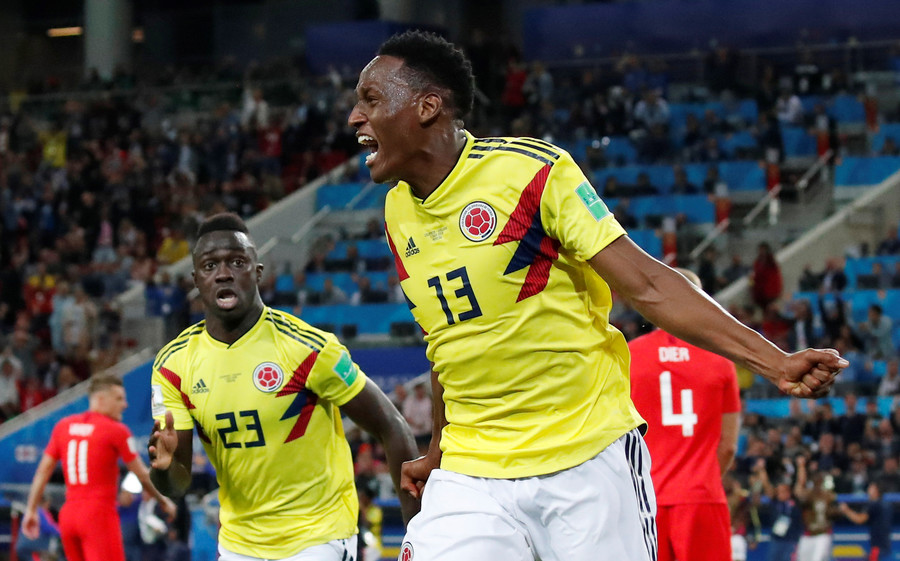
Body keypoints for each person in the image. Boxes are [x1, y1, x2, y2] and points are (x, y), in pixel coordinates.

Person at [348, 30, 847, 561]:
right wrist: (439, 450)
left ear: (427, 107)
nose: (355, 117)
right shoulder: (397, 212)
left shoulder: (532, 173)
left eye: (370, 99)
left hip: (584, 457)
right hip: (473, 470)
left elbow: (648, 284)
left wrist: (773, 361)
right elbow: (449, 342)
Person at [147, 212, 418, 561]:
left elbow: (391, 426)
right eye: (210, 265)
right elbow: (177, 484)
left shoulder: (306, 347)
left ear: (258, 273)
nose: (224, 273)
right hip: (238, 545)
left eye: (237, 262)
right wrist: (165, 469)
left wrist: (416, 530)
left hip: (318, 536)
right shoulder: (173, 366)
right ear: (196, 279)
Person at [629, 268, 741, 561]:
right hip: (701, 496)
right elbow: (728, 446)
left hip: (644, 499)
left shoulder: (629, 356)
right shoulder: (720, 359)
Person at [22, 374, 176, 561]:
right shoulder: (116, 430)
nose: (125, 404)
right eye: (119, 398)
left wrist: (31, 510)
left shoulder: (64, 426)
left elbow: (43, 471)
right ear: (101, 399)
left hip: (68, 515)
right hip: (98, 515)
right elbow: (142, 474)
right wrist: (164, 501)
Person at [840, 481, 893, 561]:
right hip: (885, 543)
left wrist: (846, 510)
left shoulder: (874, 504)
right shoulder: (886, 504)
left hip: (877, 546)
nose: (868, 490)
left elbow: (860, 519)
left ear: (876, 490)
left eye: (871, 488)